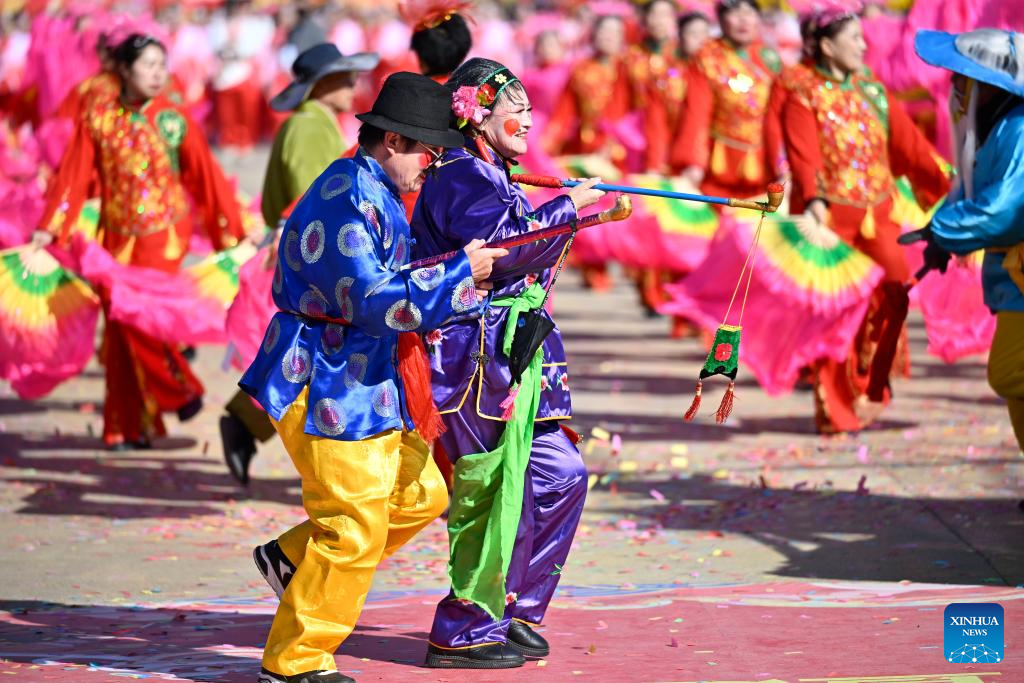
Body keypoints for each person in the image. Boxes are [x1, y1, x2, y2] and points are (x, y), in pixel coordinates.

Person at [239, 71, 507, 683]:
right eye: (428, 152)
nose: (432, 164)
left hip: (367, 379)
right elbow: (372, 299)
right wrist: (458, 274)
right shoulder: (345, 199)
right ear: (391, 142)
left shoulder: (377, 189)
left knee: (419, 496)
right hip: (326, 378)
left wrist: (462, 276)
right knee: (355, 525)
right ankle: (294, 662)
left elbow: (398, 282)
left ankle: (294, 561)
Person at [410, 57, 604, 669]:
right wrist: (568, 207)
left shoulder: (493, 171)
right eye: (511, 107)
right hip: (471, 361)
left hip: (515, 356)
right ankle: (462, 628)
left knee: (558, 474)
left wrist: (572, 209)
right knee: (490, 490)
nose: (526, 117)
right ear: (476, 117)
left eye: (527, 105)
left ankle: (509, 604)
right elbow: (503, 251)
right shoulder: (462, 174)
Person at [36, 33, 245, 450]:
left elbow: (206, 178)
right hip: (114, 238)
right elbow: (73, 178)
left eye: (160, 65)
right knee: (117, 330)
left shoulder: (173, 118)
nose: (156, 73)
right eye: (147, 65)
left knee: (140, 317)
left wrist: (234, 234)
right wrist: (50, 227)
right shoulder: (97, 118)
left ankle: (178, 387)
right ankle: (127, 426)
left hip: (162, 238)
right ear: (124, 71)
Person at [780, 7, 949, 433]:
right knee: (835, 313)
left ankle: (870, 384)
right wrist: (814, 203)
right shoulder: (804, 92)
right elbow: (804, 157)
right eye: (853, 38)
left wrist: (954, 189)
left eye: (861, 37)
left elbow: (912, 149)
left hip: (880, 214)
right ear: (825, 45)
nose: (862, 45)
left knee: (895, 292)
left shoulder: (873, 90)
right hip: (832, 220)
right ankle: (835, 407)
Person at [219, 43, 380, 486]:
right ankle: (248, 423)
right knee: (318, 356)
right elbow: (319, 198)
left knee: (308, 357)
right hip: (313, 261)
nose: (353, 85)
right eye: (345, 77)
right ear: (321, 84)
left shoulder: (316, 123)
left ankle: (245, 422)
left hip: (307, 257)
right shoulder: (310, 128)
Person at [904, 28, 1024, 452]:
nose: (954, 85)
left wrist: (944, 231)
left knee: (1010, 372)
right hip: (1014, 280)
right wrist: (942, 236)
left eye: (962, 77)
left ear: (990, 85)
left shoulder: (1020, 128)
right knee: (1015, 389)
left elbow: (1006, 207)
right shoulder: (1000, 125)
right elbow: (973, 189)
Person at [672, 0, 781, 199]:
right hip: (718, 163)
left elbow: (778, 116)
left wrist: (783, 165)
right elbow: (696, 113)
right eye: (735, 12)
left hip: (763, 164)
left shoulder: (770, 57)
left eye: (749, 12)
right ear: (721, 20)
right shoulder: (707, 56)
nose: (743, 20)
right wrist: (694, 163)